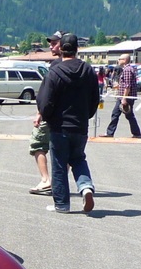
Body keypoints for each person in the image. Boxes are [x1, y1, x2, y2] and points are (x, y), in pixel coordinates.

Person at [36, 33, 100, 215]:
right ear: (77, 49)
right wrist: (87, 115)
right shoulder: (88, 70)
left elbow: (45, 101)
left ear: (61, 49)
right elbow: (95, 98)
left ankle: (62, 204)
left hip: (59, 126)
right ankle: (86, 187)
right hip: (80, 125)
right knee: (78, 158)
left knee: (58, 164)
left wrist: (47, 117)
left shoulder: (55, 72)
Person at [28, 30, 63, 195]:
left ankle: (46, 180)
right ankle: (58, 181)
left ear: (64, 44)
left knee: (38, 144)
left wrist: (39, 113)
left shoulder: (56, 66)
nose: (51, 45)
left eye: (55, 43)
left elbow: (46, 94)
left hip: (50, 114)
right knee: (67, 150)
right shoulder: (78, 65)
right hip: (69, 117)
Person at [103, 53, 141, 138]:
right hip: (125, 96)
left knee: (117, 114)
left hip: (125, 97)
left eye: (120, 59)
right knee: (127, 115)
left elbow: (127, 85)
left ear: (124, 60)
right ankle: (136, 133)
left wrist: (124, 98)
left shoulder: (127, 70)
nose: (118, 60)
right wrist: (118, 86)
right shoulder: (129, 69)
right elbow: (127, 84)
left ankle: (110, 133)